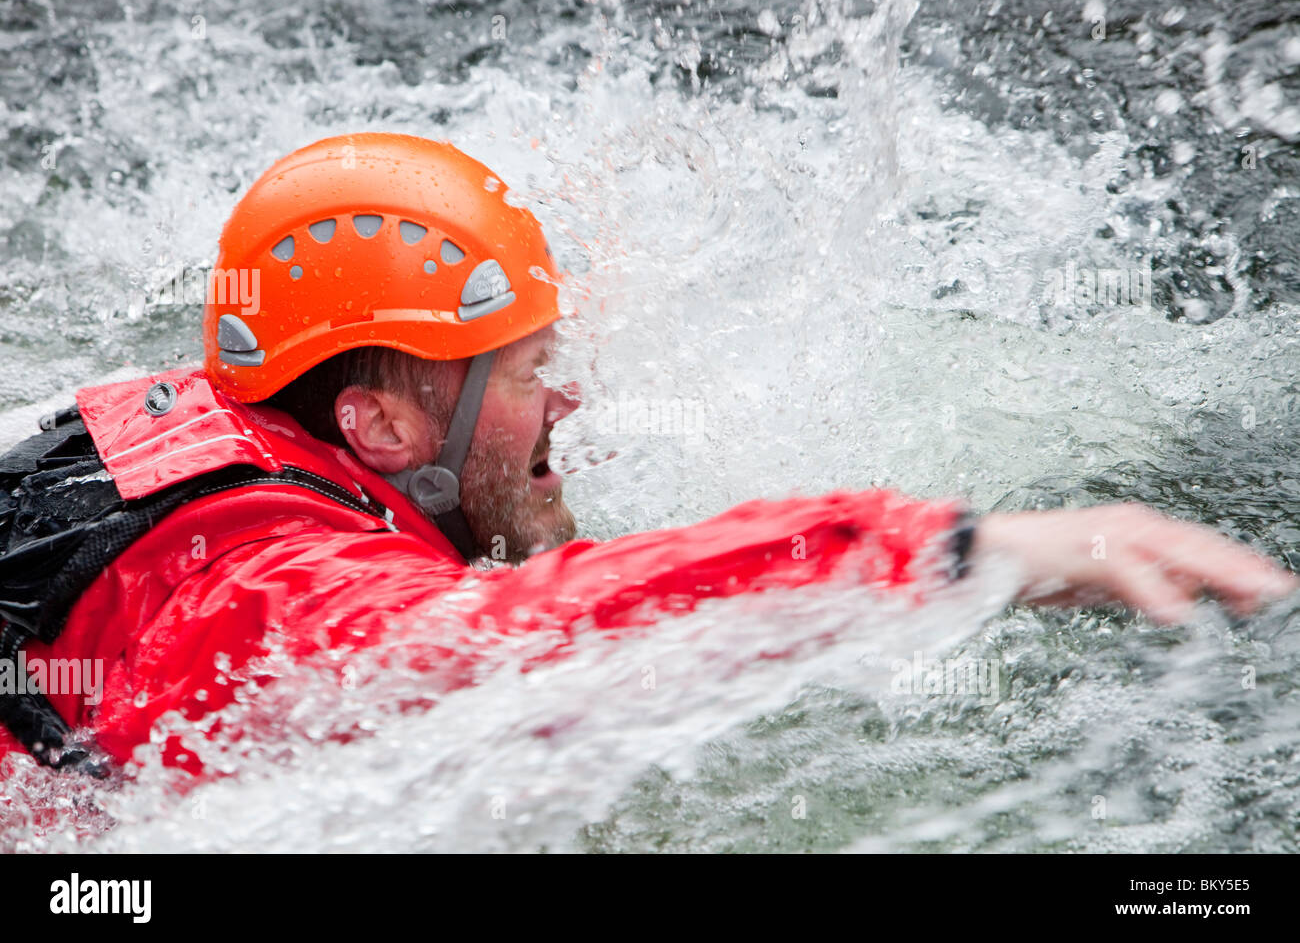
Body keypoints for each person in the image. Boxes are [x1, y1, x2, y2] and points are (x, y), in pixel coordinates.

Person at [0, 133, 1293, 778]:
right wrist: (960, 549)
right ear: (382, 429)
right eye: (523, 373)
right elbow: (517, 628)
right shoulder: (277, 598)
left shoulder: (192, 411)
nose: (570, 399)